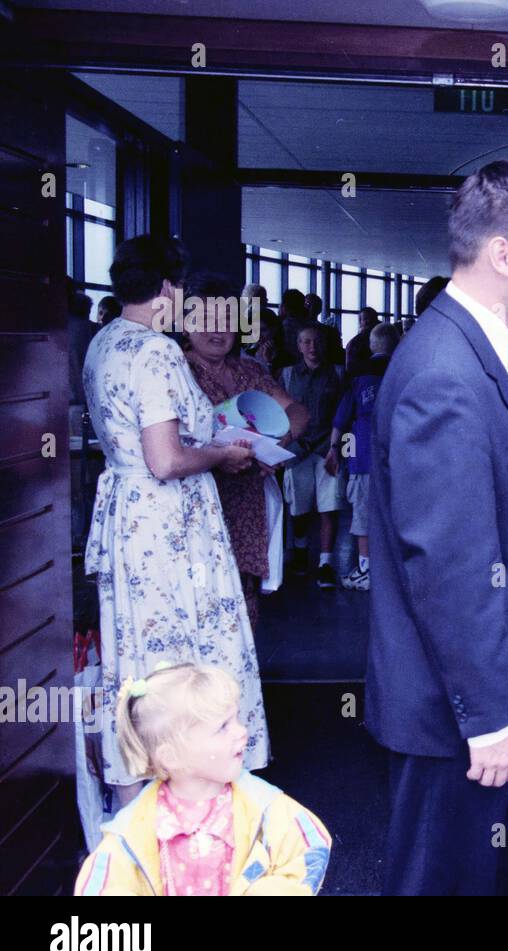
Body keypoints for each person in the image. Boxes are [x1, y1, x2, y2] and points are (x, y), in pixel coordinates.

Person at [366, 160, 508, 896]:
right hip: (458, 710)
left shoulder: (481, 345)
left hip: (477, 690)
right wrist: (489, 716)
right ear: (501, 253)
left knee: (480, 874)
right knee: (448, 880)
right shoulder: (446, 373)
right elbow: (451, 564)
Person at [81, 234, 268, 809]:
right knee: (186, 653)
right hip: (169, 522)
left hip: (125, 517)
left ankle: (134, 791)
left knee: (134, 652)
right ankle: (191, 792)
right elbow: (166, 460)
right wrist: (223, 453)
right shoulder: (156, 351)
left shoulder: (105, 342)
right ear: (167, 287)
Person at [75, 663, 331, 896]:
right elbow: (100, 886)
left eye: (236, 719)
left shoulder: (261, 805)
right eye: (223, 727)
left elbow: (310, 844)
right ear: (172, 757)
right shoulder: (136, 827)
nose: (242, 731)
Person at [183, 272, 308, 629]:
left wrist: (278, 445)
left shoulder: (248, 371)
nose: (217, 332)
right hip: (197, 501)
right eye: (206, 321)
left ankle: (241, 682)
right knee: (201, 599)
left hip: (247, 503)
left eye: (225, 322)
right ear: (186, 324)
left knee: (243, 595)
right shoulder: (175, 371)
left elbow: (297, 412)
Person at [326, 321, 396, 591]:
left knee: (363, 516)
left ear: (371, 346)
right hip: (397, 462)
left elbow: (343, 420)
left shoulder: (357, 377)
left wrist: (337, 452)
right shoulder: (404, 374)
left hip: (363, 457)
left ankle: (366, 569)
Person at [280, 323, 345, 588]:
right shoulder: (287, 375)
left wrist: (341, 449)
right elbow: (277, 412)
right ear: (298, 346)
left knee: (330, 506)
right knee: (299, 508)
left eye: (317, 342)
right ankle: (300, 549)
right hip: (297, 450)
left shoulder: (339, 374)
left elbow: (346, 414)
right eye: (306, 342)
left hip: (327, 449)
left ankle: (326, 563)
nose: (312, 348)